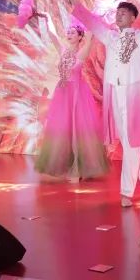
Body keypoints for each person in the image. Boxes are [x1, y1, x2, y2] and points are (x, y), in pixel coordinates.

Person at [74, 0, 140, 207]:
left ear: (133, 18)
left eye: (124, 13)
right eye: (118, 13)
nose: (119, 16)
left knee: (131, 142)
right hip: (114, 92)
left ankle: (126, 192)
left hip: (133, 94)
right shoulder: (110, 37)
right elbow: (92, 22)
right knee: (129, 142)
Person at [32, 12, 108, 182]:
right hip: (62, 94)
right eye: (68, 32)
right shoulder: (63, 50)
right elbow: (52, 34)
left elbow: (91, 37)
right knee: (62, 130)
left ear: (80, 36)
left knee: (77, 130)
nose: (69, 34)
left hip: (77, 94)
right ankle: (66, 165)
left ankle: (78, 168)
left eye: (73, 32)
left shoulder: (82, 52)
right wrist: (47, 17)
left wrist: (93, 20)